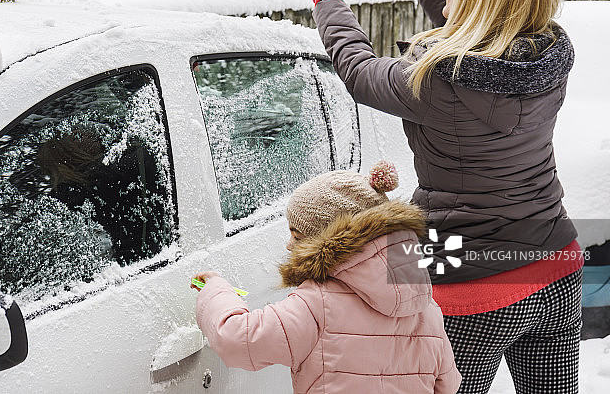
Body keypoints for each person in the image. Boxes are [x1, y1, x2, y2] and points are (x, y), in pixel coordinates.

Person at [294, 0, 583, 394]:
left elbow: (360, 70)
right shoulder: (547, 60)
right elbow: (479, 31)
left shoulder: (433, 82)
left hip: (471, 288)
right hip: (555, 267)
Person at [192, 163, 461, 394]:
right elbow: (448, 383)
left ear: (328, 242)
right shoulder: (425, 305)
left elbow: (237, 340)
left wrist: (216, 290)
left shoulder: (315, 304)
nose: (289, 245)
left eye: (297, 236)